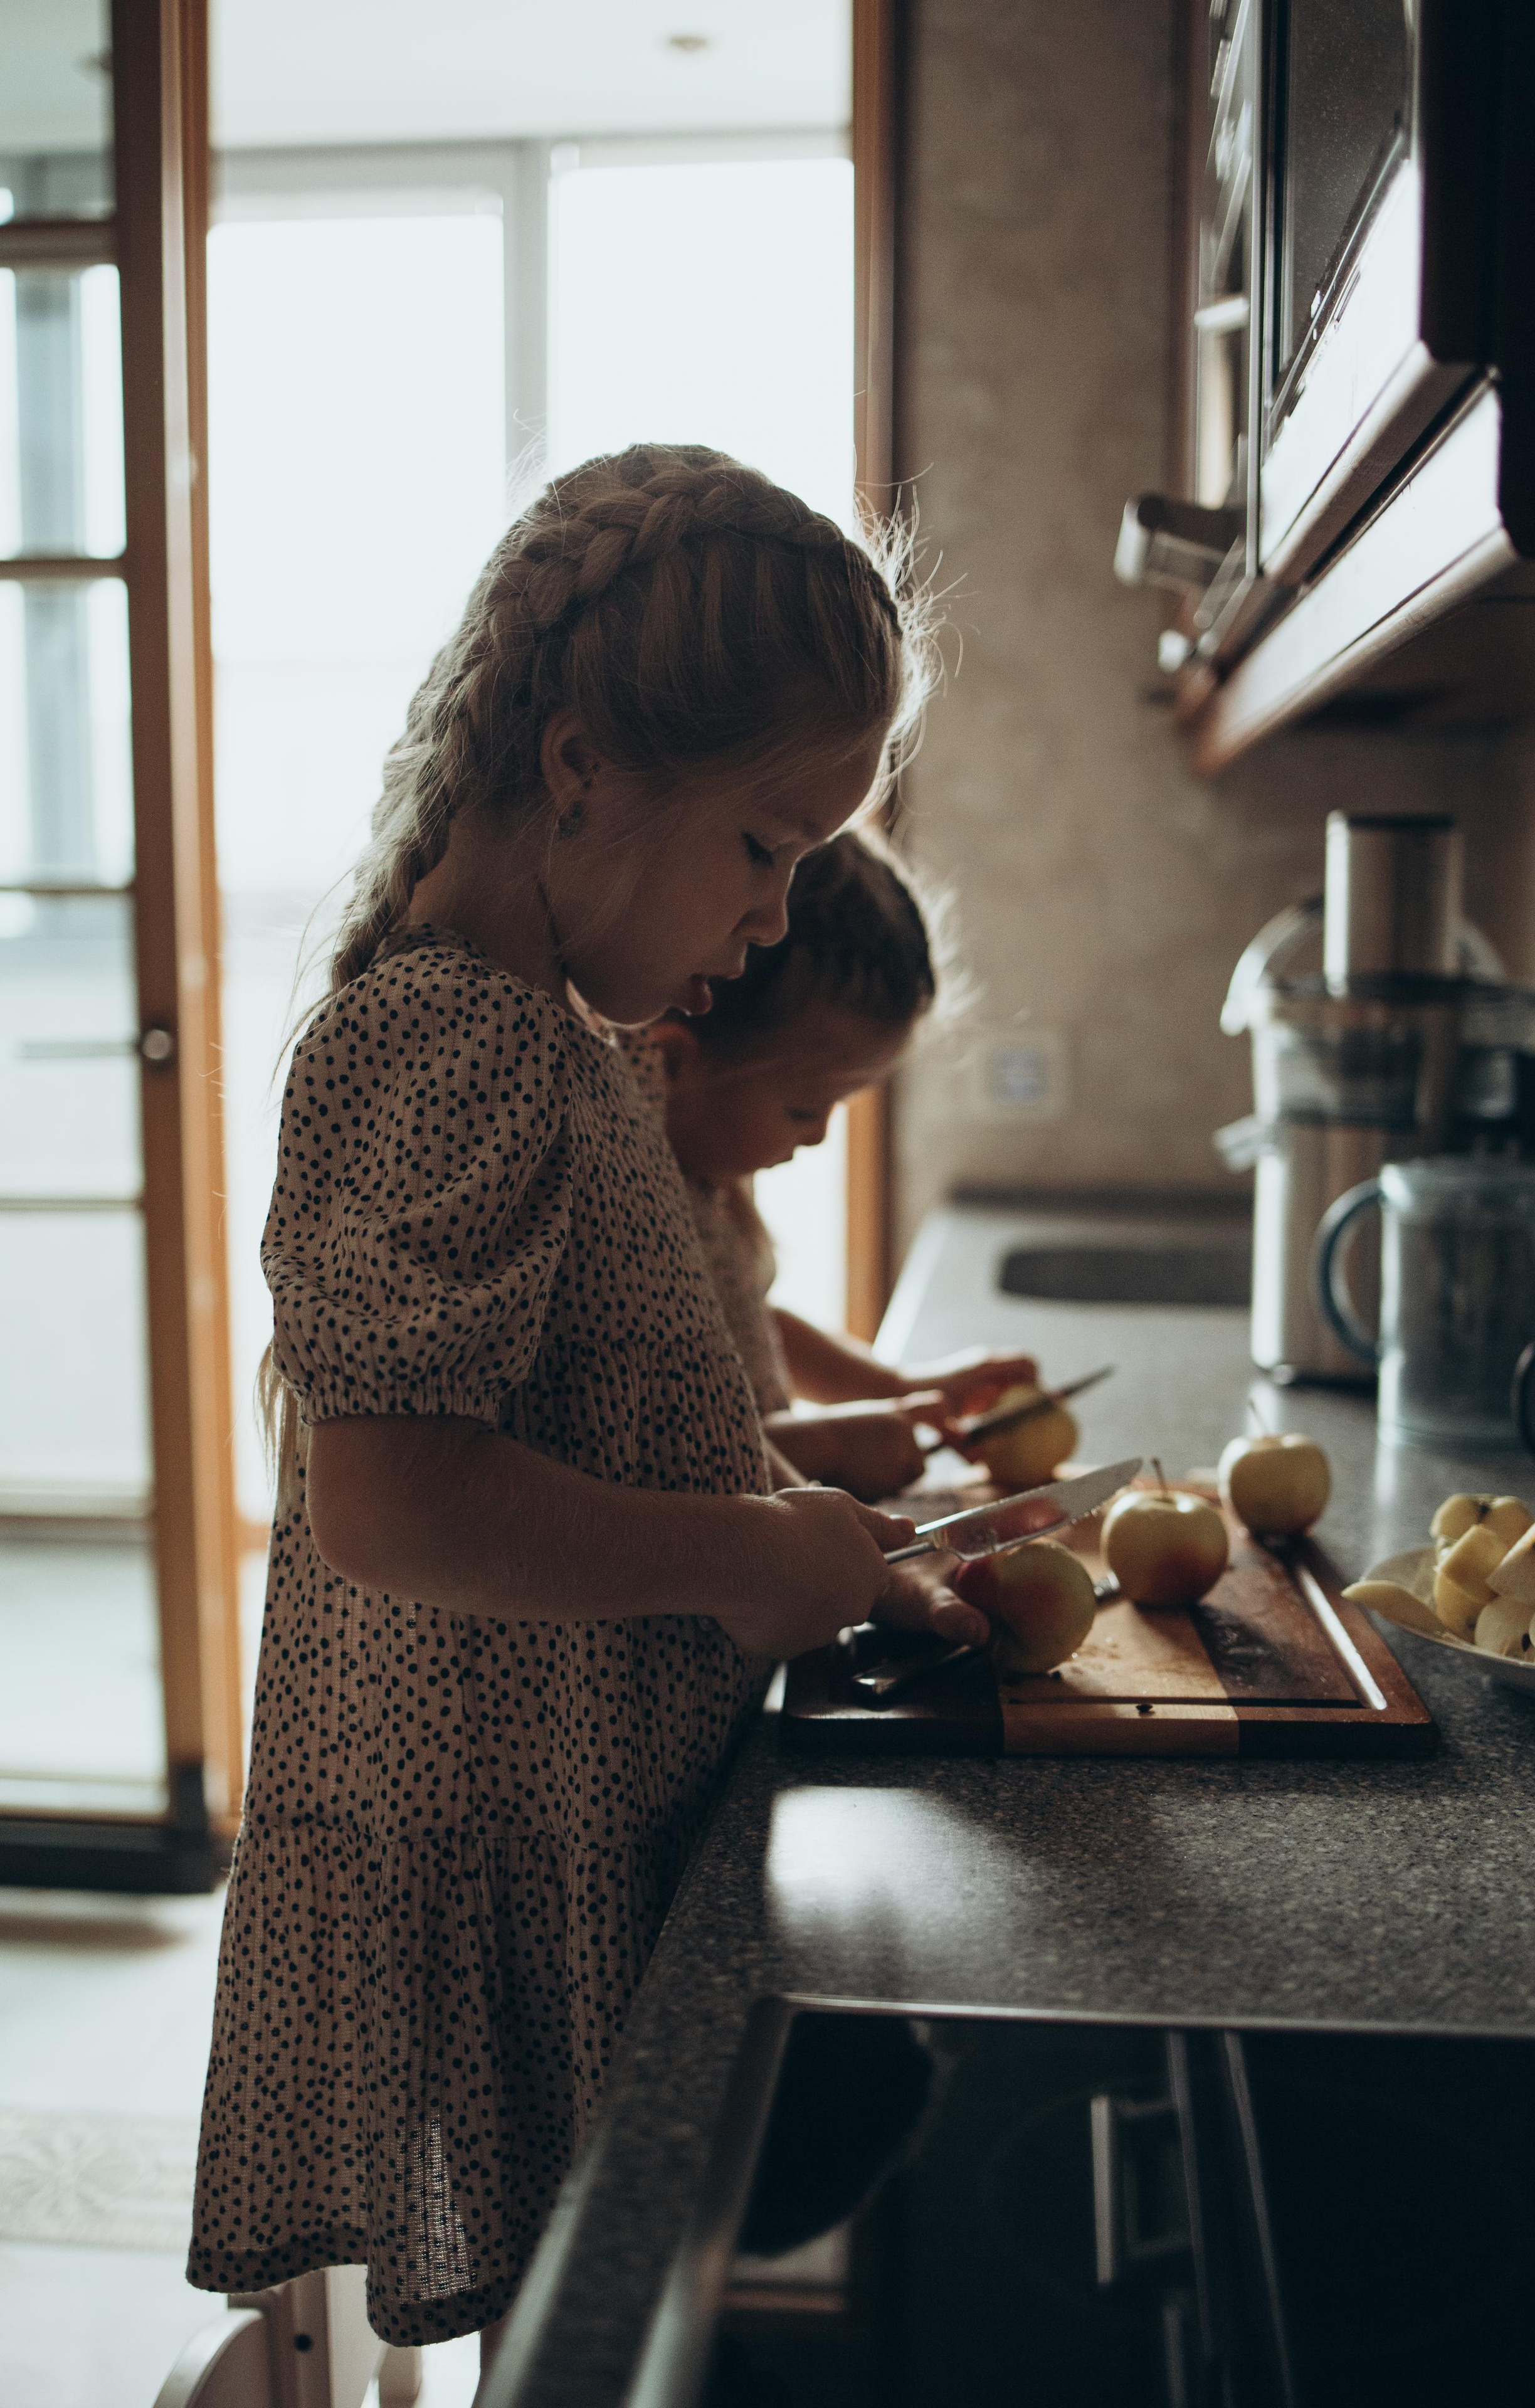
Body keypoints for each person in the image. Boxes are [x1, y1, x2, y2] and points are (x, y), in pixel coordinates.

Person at [185, 446, 993, 2366]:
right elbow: (398, 1500)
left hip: (574, 1827)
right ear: (577, 771)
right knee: (567, 2339)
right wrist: (744, 1555)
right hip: (502, 1856)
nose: (775, 915)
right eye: (766, 847)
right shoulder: (450, 1038)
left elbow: (606, 1423)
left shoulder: (557, 1040)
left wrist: (811, 1535)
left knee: (587, 2320)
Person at [634, 830, 1039, 1499]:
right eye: (804, 1108)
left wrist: (899, 1388)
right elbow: (658, 1455)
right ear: (675, 1064)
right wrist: (824, 1446)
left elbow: (758, 1328)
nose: (822, 1136)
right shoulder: (633, 1215)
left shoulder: (707, 1180)